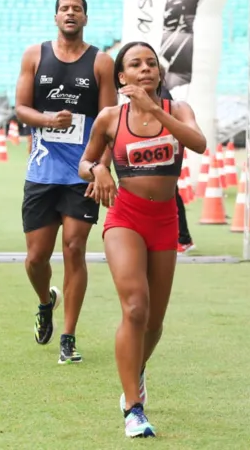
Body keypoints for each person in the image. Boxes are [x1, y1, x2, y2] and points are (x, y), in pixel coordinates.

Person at [77, 40, 206, 438]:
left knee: (154, 322)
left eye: (152, 63)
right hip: (125, 217)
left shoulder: (177, 110)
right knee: (135, 307)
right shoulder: (110, 118)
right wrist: (97, 172)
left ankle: (136, 368)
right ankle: (133, 407)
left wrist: (154, 110)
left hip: (165, 220)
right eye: (136, 64)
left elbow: (199, 144)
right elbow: (86, 161)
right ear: (122, 77)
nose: (146, 69)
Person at [14, 0, 116, 364]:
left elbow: (110, 121)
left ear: (85, 18)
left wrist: (100, 167)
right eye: (64, 8)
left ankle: (69, 337)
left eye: (77, 9)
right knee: (36, 258)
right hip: (42, 170)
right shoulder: (34, 55)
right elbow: (22, 108)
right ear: (55, 17)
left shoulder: (101, 62)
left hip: (81, 171)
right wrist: (46, 119)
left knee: (74, 248)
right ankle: (45, 302)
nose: (70, 13)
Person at [159, 63, 195, 253]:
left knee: (171, 195)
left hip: (165, 156)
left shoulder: (162, 98)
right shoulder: (158, 96)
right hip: (163, 155)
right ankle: (181, 237)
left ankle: (183, 238)